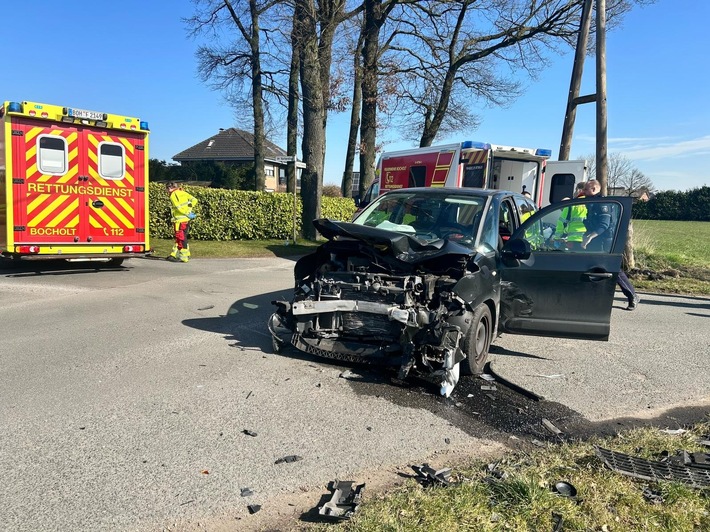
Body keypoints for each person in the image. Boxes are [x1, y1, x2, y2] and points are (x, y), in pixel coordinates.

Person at [581, 179, 640, 310]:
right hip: (594, 241)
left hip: (605, 241)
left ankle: (632, 296)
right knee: (590, 268)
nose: (583, 191)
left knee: (613, 269)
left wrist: (590, 237)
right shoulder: (591, 202)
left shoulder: (602, 204)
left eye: (586, 189)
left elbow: (604, 225)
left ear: (595, 189)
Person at [166, 182, 198, 263]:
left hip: (179, 220)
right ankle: (177, 254)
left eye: (167, 189)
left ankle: (183, 257)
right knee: (182, 237)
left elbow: (178, 207)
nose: (166, 191)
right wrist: (189, 209)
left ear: (170, 188)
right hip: (186, 219)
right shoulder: (183, 192)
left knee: (180, 238)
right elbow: (194, 200)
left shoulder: (173, 195)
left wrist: (186, 212)